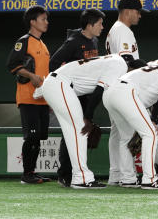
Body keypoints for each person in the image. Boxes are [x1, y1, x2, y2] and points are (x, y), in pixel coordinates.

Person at [33, 53, 137, 189]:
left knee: (73, 133)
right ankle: (81, 177)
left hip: (56, 84)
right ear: (131, 68)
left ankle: (77, 176)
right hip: (60, 84)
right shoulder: (120, 65)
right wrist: (88, 117)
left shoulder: (111, 60)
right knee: (80, 129)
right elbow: (98, 92)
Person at [102, 46, 158, 189]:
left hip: (110, 92)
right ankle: (149, 179)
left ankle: (128, 179)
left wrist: (152, 118)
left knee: (126, 138)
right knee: (150, 134)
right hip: (126, 92)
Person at [50, 8, 104, 187]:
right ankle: (65, 174)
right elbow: (54, 63)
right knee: (72, 134)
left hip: (86, 95)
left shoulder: (94, 41)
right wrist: (67, 87)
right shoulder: (73, 42)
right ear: (89, 25)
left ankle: (75, 173)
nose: (102, 27)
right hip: (73, 95)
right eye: (100, 24)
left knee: (78, 134)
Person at [6, 5, 51, 185]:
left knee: (38, 138)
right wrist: (31, 75)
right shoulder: (24, 41)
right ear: (33, 22)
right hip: (28, 98)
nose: (46, 22)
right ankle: (27, 174)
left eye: (46, 19)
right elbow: (12, 65)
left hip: (42, 99)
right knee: (31, 137)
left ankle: (32, 172)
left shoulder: (43, 44)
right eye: (43, 19)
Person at [105, 0, 145, 185]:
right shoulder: (122, 30)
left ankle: (116, 174)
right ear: (128, 11)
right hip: (122, 88)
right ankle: (128, 177)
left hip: (112, 88)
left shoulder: (116, 29)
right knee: (127, 133)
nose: (139, 16)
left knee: (117, 134)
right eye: (138, 12)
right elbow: (127, 61)